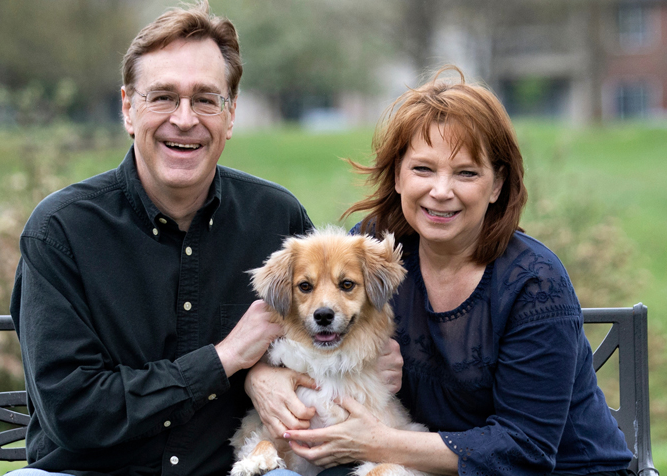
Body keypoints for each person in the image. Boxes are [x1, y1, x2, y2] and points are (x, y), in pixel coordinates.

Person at [247, 67, 635, 476]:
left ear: (497, 184)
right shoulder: (375, 248)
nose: (441, 191)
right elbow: (296, 313)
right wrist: (262, 378)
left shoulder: (533, 282)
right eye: (423, 169)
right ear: (397, 175)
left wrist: (377, 441)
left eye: (466, 172)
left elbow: (526, 450)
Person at [7, 3, 315, 475]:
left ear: (229, 116)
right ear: (129, 108)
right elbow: (73, 411)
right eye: (164, 97)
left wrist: (268, 374)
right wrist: (226, 360)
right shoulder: (62, 231)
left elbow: (321, 344)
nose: (185, 119)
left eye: (206, 99)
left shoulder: (277, 221)